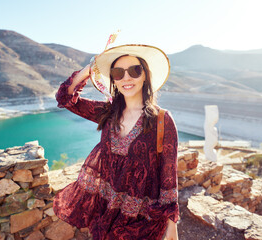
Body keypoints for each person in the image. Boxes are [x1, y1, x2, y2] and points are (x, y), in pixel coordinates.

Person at [53, 44, 180, 240]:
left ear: (145, 75)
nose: (126, 78)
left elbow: (169, 176)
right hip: (105, 213)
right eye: (118, 73)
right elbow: (65, 98)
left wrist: (172, 225)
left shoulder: (162, 120)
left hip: (142, 222)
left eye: (135, 71)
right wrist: (88, 70)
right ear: (113, 79)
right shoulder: (108, 112)